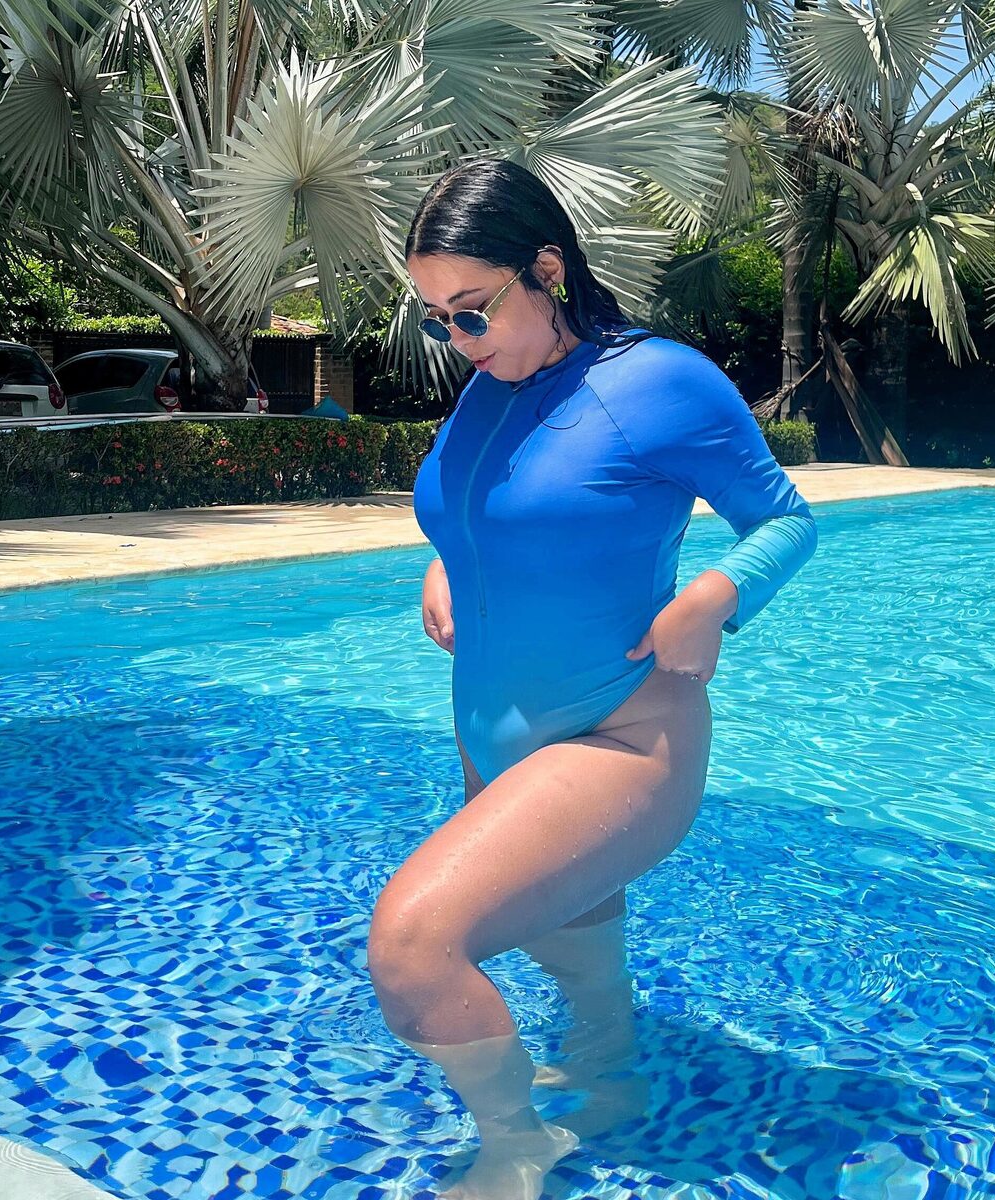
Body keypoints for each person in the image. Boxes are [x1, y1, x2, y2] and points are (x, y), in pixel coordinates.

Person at [367, 158, 819, 1199]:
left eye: (471, 310)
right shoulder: (490, 386)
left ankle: (515, 1148)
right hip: (497, 735)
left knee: (414, 946)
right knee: (568, 940)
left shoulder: (657, 382)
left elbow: (785, 521)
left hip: (618, 734)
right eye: (435, 319)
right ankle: (613, 1073)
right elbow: (493, 508)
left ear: (546, 269)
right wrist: (450, 558)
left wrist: (716, 597)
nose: (457, 340)